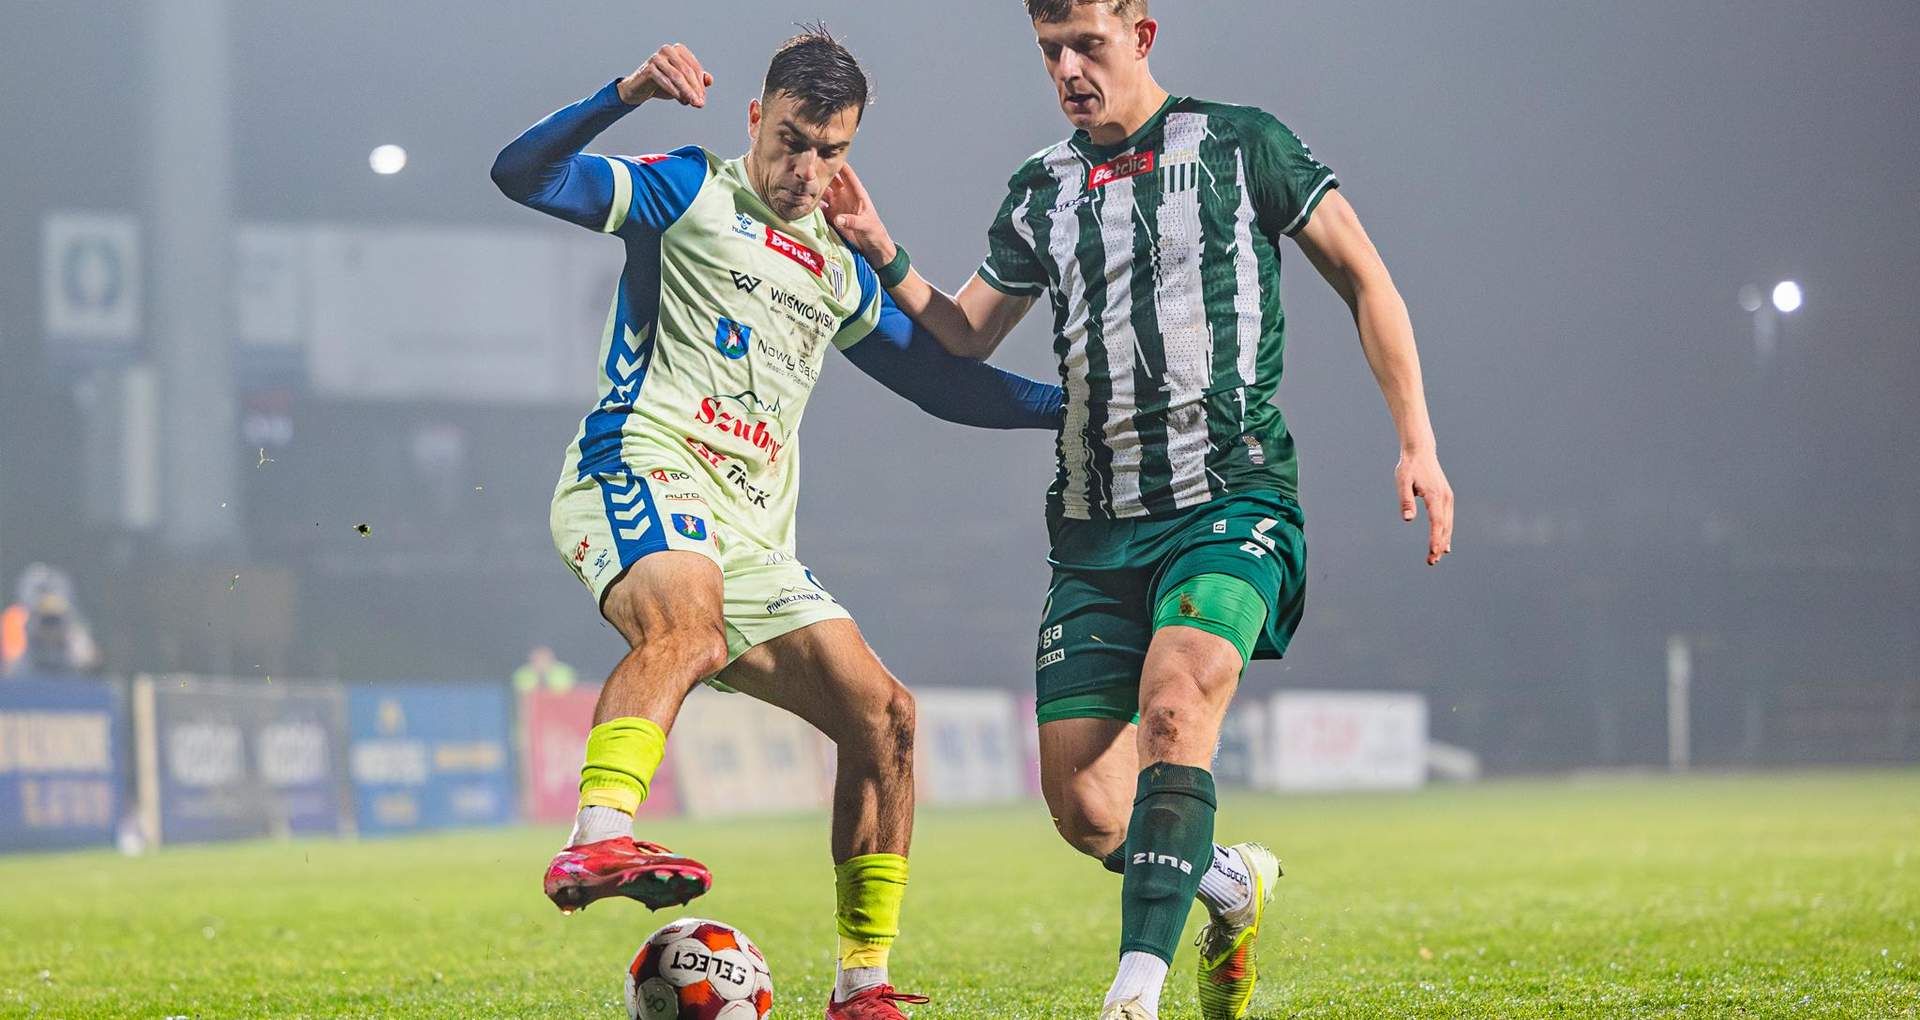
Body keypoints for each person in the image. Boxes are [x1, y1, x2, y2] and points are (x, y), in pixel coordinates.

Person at [825, 2, 1455, 1017]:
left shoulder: (1243, 145)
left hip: (1229, 497)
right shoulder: (1041, 188)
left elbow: (1366, 280)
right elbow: (969, 333)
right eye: (1051, 52)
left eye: (1089, 44)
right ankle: (1228, 883)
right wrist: (882, 248)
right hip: (1093, 527)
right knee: (1086, 808)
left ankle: (1136, 990)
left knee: (1176, 705)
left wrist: (1416, 438)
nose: (1069, 69)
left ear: (1143, 35)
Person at [491, 28, 1062, 1020]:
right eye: (792, 140)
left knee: (886, 719)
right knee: (689, 629)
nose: (806, 171)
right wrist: (624, 94)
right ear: (755, 118)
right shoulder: (685, 190)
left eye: (830, 151)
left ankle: (863, 985)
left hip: (751, 537)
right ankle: (596, 836)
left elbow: (943, 385)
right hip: (641, 464)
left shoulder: (838, 262)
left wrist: (1078, 407)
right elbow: (522, 174)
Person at [512, 645, 577, 695]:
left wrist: (547, 675)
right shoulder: (522, 673)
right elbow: (522, 691)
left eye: (544, 658)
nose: (541, 661)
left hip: (559, 704)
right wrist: (538, 675)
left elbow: (567, 689)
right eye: (538, 658)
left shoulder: (564, 671)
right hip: (532, 706)